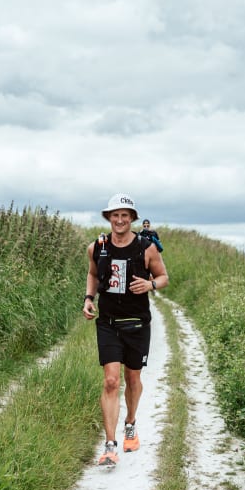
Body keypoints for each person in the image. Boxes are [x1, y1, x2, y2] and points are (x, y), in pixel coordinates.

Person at [82, 193, 169, 467]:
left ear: (132, 218)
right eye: (115, 215)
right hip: (108, 323)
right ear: (108, 218)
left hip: (137, 323)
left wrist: (150, 285)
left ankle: (130, 423)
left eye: (125, 215)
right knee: (111, 381)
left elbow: (164, 277)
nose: (119, 220)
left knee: (132, 379)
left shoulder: (146, 248)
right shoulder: (97, 247)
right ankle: (110, 445)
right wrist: (88, 298)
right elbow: (93, 274)